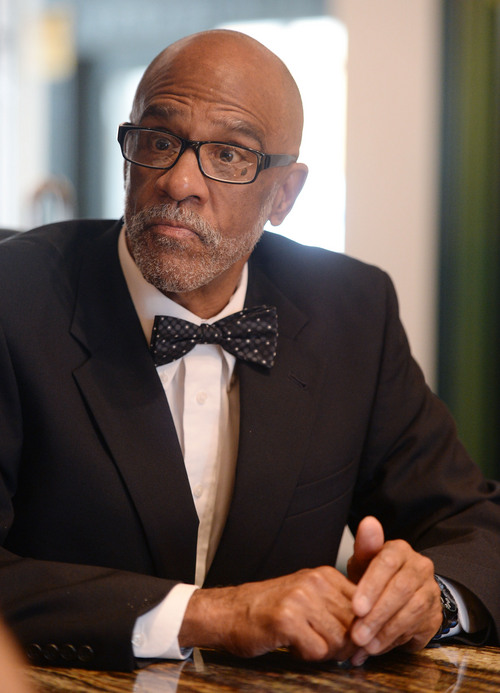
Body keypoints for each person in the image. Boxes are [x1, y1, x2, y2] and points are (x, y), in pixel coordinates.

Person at [0, 29, 498, 673]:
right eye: (158, 140)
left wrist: (429, 599)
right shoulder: (14, 299)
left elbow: (473, 524)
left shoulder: (352, 310)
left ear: (285, 195)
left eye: (230, 154)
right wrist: (215, 614)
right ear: (126, 153)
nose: (179, 180)